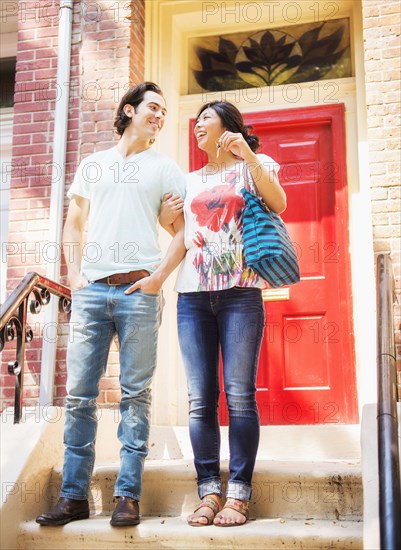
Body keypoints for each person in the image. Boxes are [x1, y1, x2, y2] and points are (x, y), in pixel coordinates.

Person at [36, 82, 186, 527]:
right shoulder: (93, 165)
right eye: (153, 108)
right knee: (80, 396)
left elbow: (181, 230)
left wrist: (158, 278)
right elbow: (74, 223)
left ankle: (128, 495)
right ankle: (74, 496)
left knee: (135, 395)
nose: (160, 116)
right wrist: (76, 276)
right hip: (92, 292)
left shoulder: (165, 168)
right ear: (129, 110)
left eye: (164, 111)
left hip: (139, 292)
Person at [160, 101, 286, 527]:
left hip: (240, 294)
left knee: (239, 396)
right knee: (200, 401)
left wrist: (246, 155)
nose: (197, 128)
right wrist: (166, 228)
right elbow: (186, 237)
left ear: (228, 127)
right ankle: (208, 491)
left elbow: (279, 202)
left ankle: (239, 494)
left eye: (205, 121)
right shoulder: (187, 179)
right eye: (195, 123)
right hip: (192, 296)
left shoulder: (256, 164)